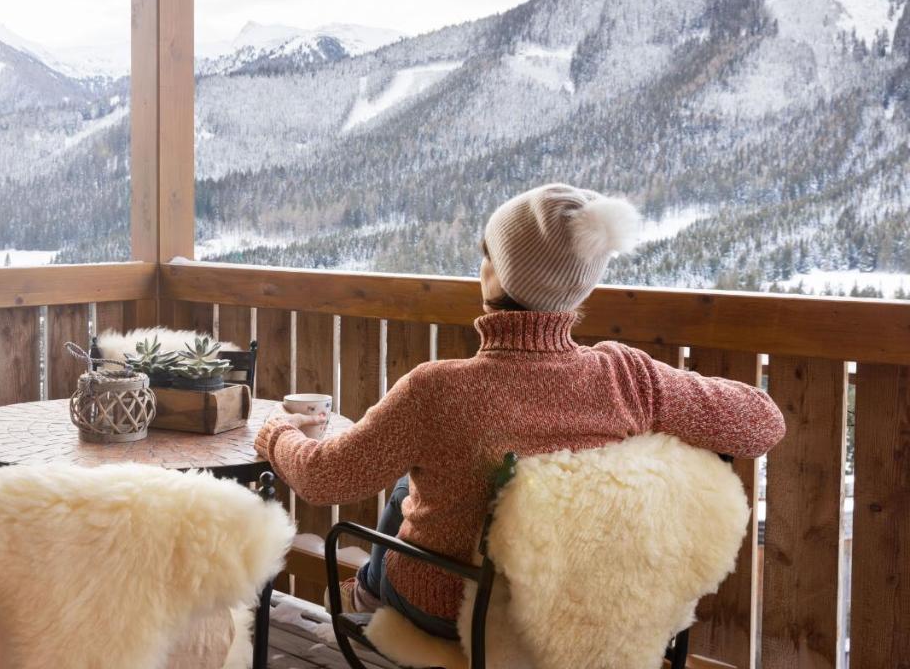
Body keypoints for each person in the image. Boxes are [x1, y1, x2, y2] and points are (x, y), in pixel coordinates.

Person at [255, 183, 786, 639]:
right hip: (571, 613)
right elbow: (764, 422)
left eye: (487, 253)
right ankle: (371, 593)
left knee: (411, 488)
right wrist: (673, 393)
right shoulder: (629, 376)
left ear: (496, 276)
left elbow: (326, 477)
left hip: (450, 610)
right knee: (415, 487)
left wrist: (274, 432)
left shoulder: (438, 390)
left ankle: (368, 595)